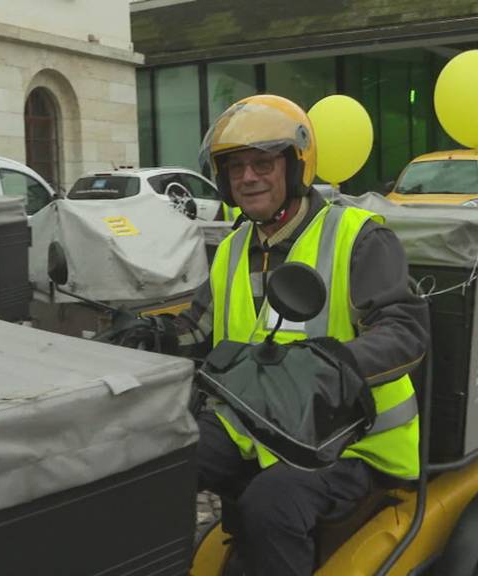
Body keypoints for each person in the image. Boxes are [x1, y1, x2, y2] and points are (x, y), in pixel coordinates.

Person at [174, 95, 430, 575]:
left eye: (262, 163)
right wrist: (150, 337)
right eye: (236, 168)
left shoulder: (359, 237)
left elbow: (404, 330)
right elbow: (197, 329)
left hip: (349, 438)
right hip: (255, 425)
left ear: (294, 167)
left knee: (271, 507)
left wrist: (333, 366)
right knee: (161, 465)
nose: (247, 177)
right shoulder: (232, 248)